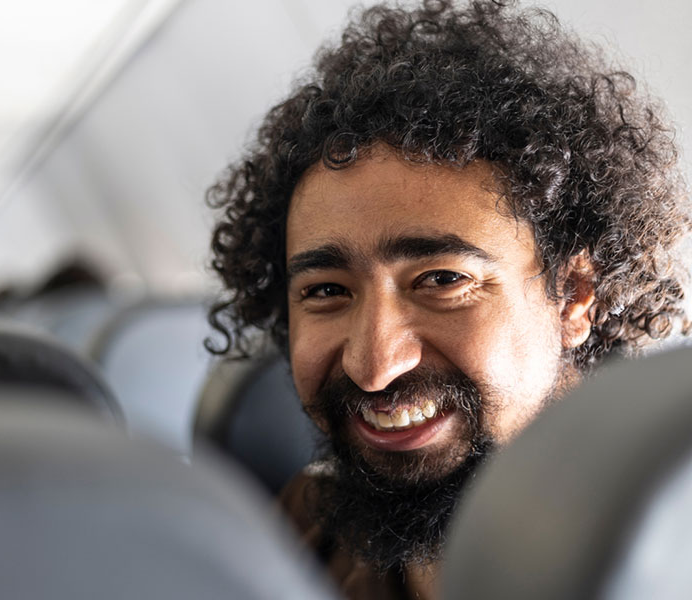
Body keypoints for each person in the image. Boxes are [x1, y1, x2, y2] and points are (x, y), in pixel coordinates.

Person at [205, 1, 691, 598]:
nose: (374, 364)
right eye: (326, 291)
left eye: (441, 281)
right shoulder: (302, 534)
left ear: (574, 297)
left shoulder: (660, 563)